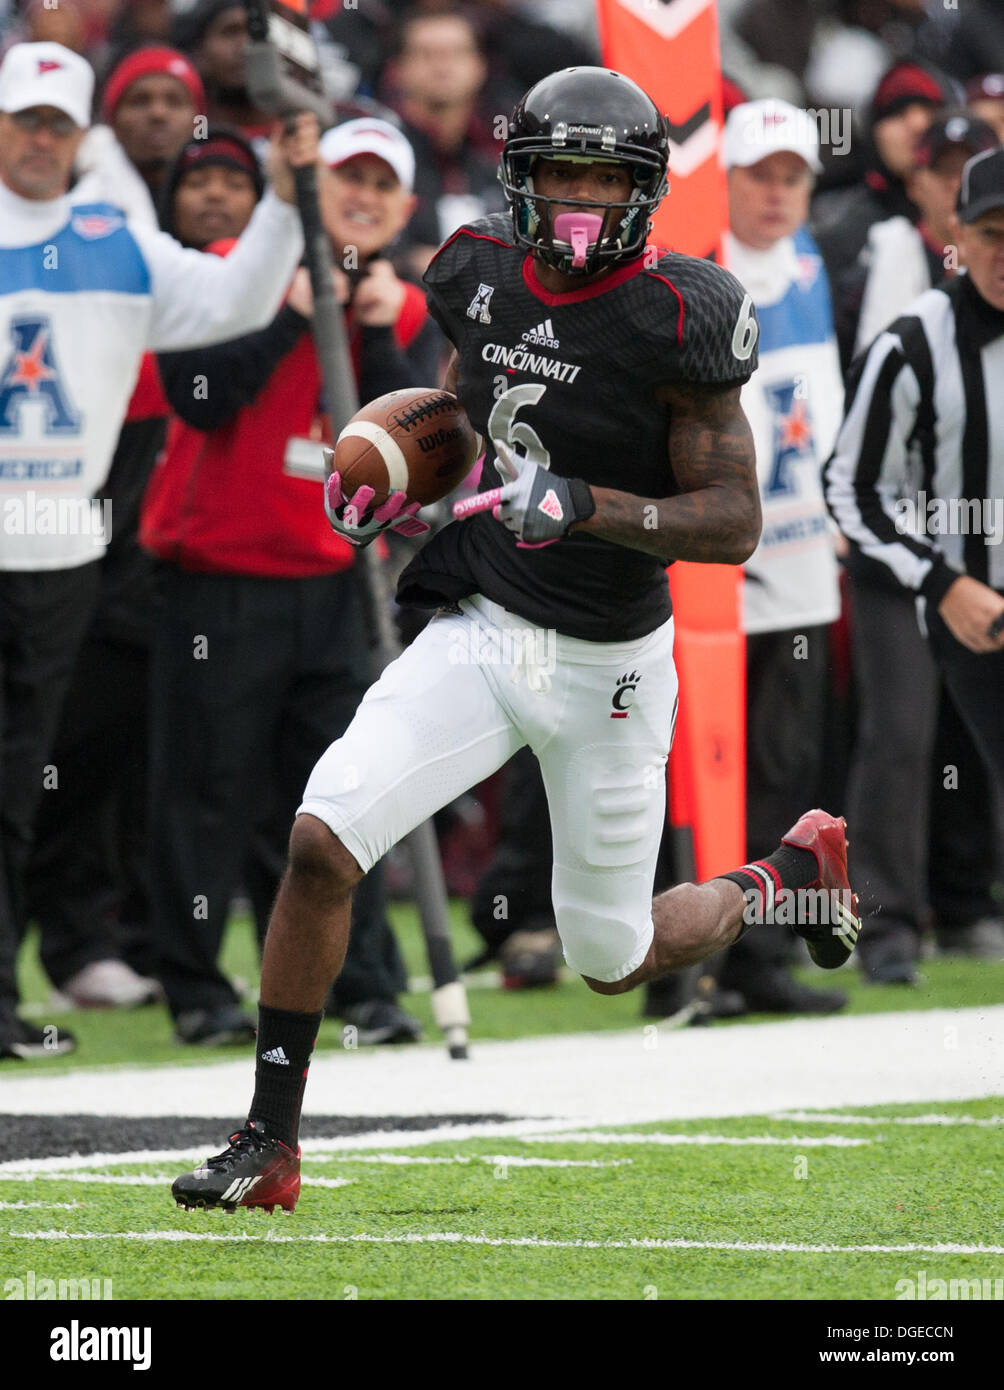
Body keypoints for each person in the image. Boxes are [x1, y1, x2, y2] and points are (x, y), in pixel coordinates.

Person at [172, 66, 860, 1214]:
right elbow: (470, 392)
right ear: (520, 178)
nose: (581, 197)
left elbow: (732, 521)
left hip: (607, 669)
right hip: (487, 625)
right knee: (321, 839)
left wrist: (586, 504)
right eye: (560, 172)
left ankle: (788, 871)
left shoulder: (679, 311)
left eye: (604, 176)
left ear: (643, 192)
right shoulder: (472, 270)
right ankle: (269, 1139)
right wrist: (408, 476)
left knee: (611, 954)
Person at [0, 39, 312, 1060]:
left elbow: (232, 305)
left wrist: (275, 202)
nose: (39, 140)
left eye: (56, 123)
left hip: (54, 543)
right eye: (24, 120)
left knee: (17, 777)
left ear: (77, 135)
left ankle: (1, 992)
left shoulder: (117, 239)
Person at [141, 118, 434, 1046]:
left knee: (356, 787)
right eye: (347, 176)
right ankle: (193, 989)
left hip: (338, 585)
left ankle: (368, 986)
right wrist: (289, 310)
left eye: (382, 186)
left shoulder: (405, 304)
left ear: (406, 209)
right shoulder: (238, 265)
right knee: (206, 789)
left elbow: (419, 467)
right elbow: (194, 394)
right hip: (219, 576)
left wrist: (382, 338)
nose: (364, 197)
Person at [715, 99, 847, 1015]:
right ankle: (690, 955)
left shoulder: (810, 265)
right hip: (719, 575)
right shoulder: (702, 270)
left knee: (790, 767)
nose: (775, 192)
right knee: (707, 766)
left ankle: (763, 960)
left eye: (792, 175)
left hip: (802, 568)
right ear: (723, 179)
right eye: (759, 174)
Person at [825, 146, 1004, 793]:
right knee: (903, 755)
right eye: (991, 234)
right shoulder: (910, 344)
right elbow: (849, 486)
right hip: (947, 598)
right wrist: (942, 581)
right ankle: (891, 898)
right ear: (957, 234)